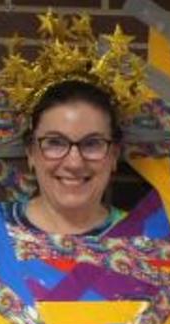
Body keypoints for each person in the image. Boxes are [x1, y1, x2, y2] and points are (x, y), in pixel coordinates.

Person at [10, 79, 123, 238]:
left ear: (114, 155)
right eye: (55, 142)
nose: (74, 163)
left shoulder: (149, 237)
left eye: (92, 143)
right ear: (31, 153)